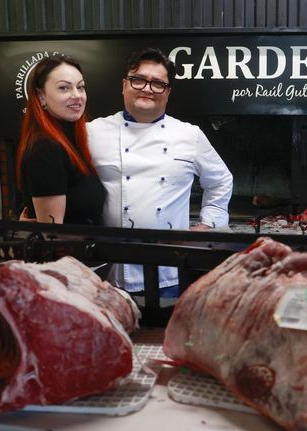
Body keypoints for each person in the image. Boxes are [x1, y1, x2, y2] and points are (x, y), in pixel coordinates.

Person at [88, 47, 233, 298]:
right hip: (108, 271)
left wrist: (209, 223)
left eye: (158, 83)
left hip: (171, 273)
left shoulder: (190, 135)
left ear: (168, 92)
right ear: (124, 85)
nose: (147, 88)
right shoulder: (92, 132)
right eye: (138, 79)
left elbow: (221, 180)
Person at [16, 55, 106, 225]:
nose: (77, 95)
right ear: (41, 96)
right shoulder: (45, 149)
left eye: (81, 87)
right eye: (64, 88)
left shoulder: (72, 140)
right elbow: (53, 237)